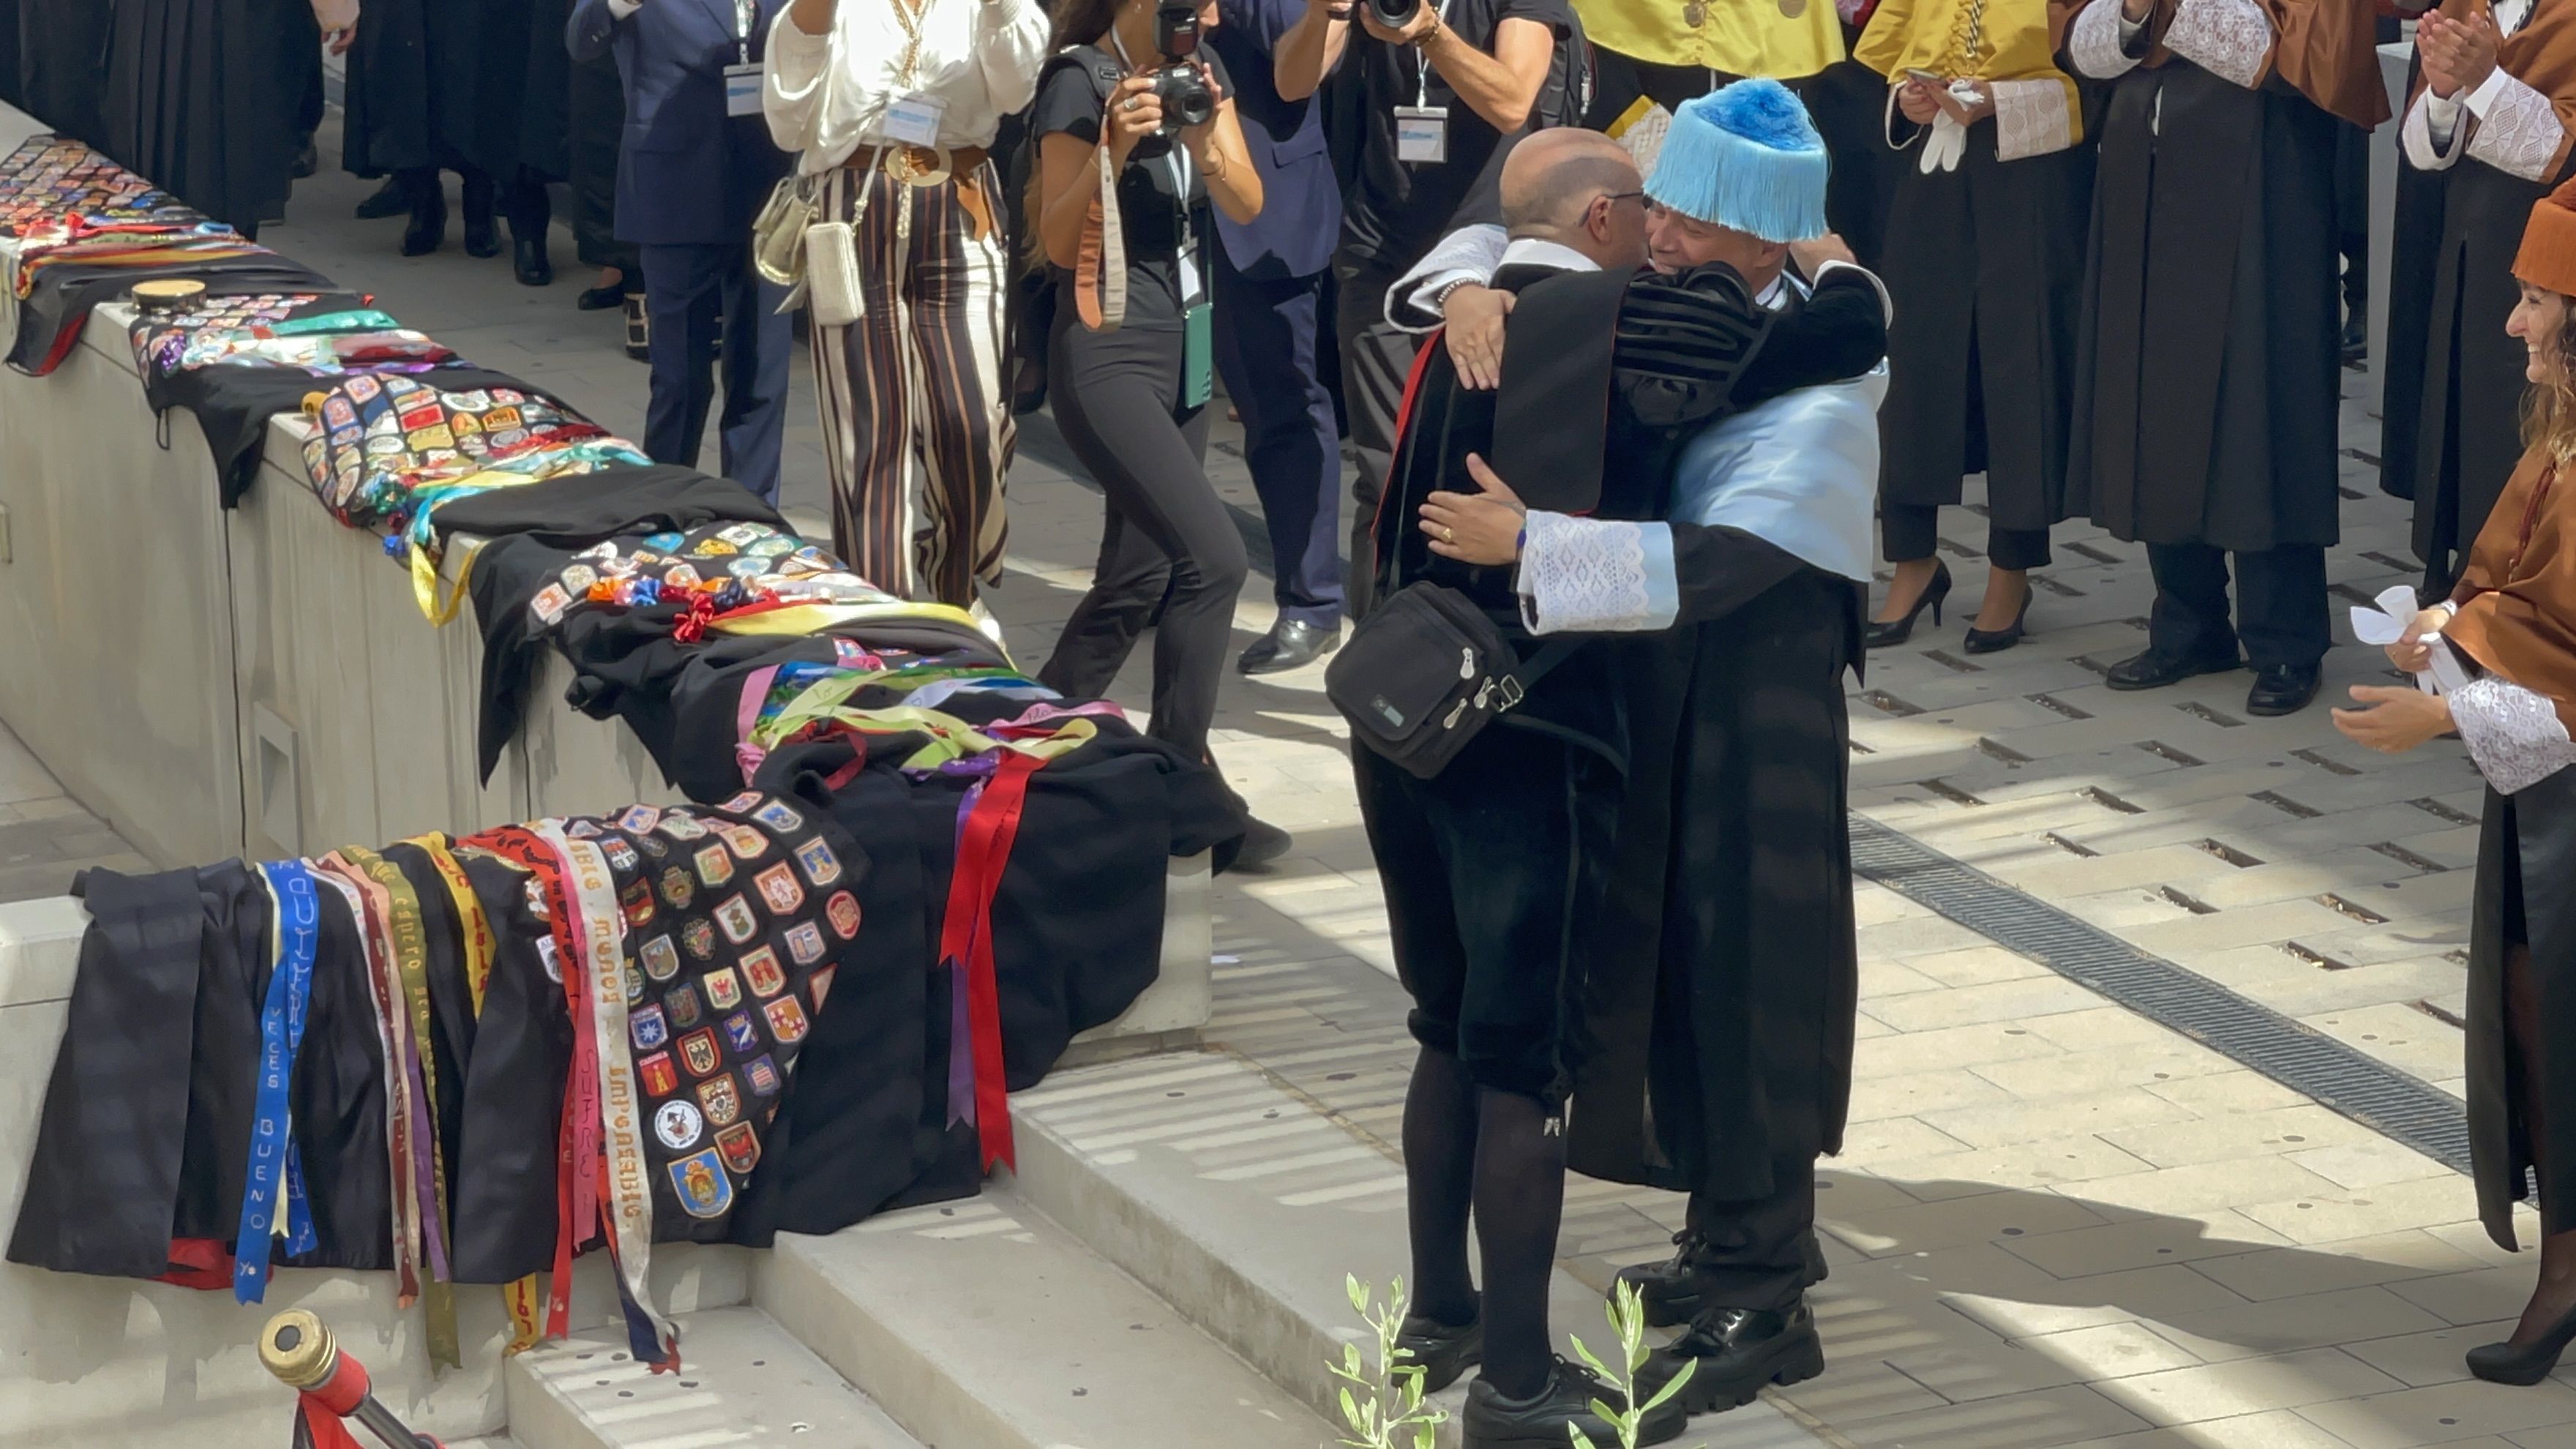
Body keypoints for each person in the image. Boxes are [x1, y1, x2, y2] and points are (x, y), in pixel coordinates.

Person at [1356, 95, 1885, 1445]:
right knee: (1684, 981)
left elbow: (1718, 566)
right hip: (1667, 705)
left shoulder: (1818, 376)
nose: (1661, 242)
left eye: (1693, 223)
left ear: (1764, 238)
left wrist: (1531, 544)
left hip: (1759, 713)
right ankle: (1722, 1245)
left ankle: (1766, 1288)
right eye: (1659, 214)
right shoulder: (1701, 304)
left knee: (1755, 979)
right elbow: (1531, 253)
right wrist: (1476, 281)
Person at [2332, 173, 2576, 1385]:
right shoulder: (2557, 442)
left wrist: (2441, 717)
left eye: (2538, 302)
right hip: (2542, 798)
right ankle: (2569, 1260)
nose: (2514, 324)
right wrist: (2449, 627)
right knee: (2545, 1030)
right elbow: (2514, 592)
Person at [2062, 0, 2387, 716]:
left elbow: (2318, 57)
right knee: (2154, 397)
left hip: (2260, 174)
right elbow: (2080, 42)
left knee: (2259, 399)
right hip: (2141, 176)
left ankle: (2284, 640)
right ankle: (2189, 622)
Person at [1030, 0, 1296, 861]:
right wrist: (1111, 145)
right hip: (1106, 351)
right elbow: (1054, 238)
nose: (1209, 13)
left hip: (1186, 344)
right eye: (1194, 1)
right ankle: (1187, 804)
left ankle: (1027, 746)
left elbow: (1250, 204)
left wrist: (1205, 134)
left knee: (1138, 578)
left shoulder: (1201, 69)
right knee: (1215, 561)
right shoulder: (1080, 79)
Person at [764, 0, 1048, 607]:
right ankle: (881, 618)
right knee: (867, 435)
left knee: (972, 420)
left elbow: (1018, 92)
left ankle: (953, 587)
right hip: (851, 211)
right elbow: (787, 126)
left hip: (960, 202)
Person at [1852, 0, 2091, 653]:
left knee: (2020, 362)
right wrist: (1910, 100)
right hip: (1932, 177)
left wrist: (1999, 102)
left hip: (2032, 177)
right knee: (1914, 358)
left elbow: (2098, 72)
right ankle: (1912, 560)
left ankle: (2010, 569)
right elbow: (1889, 53)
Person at [1331, 0, 1572, 616]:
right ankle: (1376, 673)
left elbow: (1513, 100)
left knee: (1474, 477)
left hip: (1490, 262)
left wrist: (1429, 32)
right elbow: (1294, 82)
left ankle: (1455, 657)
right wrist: (1320, 16)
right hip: (1379, 252)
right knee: (1382, 480)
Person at [2381, 0, 2576, 596]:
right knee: (2462, 438)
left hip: (2555, 273)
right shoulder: (2472, 6)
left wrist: (2486, 82)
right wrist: (2441, 95)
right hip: (2469, 259)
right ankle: (2455, 608)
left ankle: (2519, 617)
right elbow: (2423, 151)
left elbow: (2559, 153)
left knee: (2521, 439)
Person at [572, 0, 795, 507]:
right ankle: (665, 505)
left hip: (768, 184)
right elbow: (581, 40)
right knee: (681, 378)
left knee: (761, 373)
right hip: (676, 187)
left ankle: (751, 514)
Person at [1216, 0, 1353, 675]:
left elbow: (1297, 76)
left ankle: (1312, 603)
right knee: (1149, 401)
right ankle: (1150, 577)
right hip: (1155, 203)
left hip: (1265, 215)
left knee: (1284, 414)